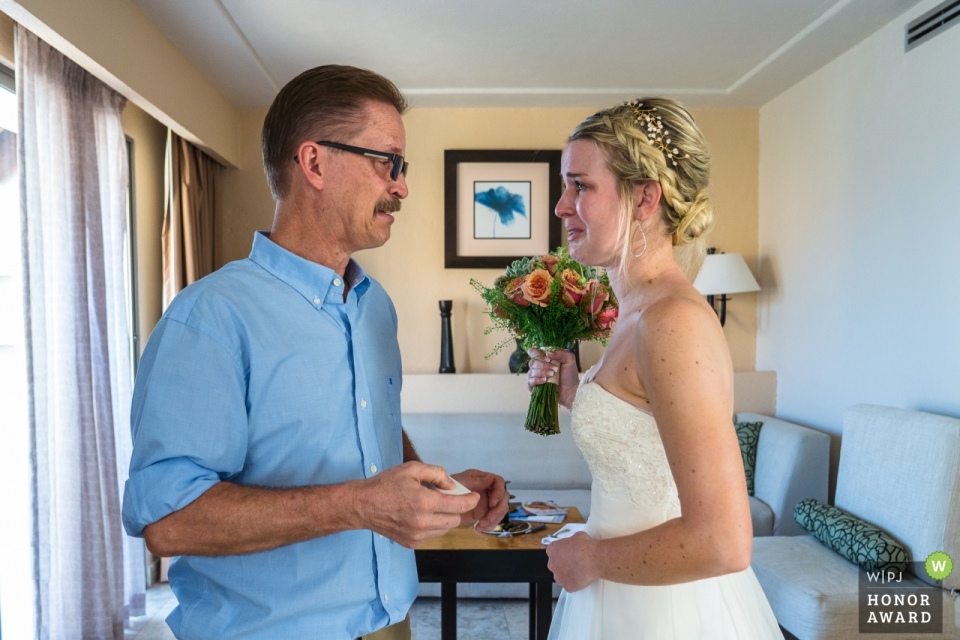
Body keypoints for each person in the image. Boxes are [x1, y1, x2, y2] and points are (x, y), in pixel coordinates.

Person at [121, 65, 509, 640]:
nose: (402, 186)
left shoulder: (376, 308)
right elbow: (169, 520)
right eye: (388, 162)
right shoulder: (209, 319)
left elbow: (369, 441)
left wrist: (438, 493)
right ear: (315, 163)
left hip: (391, 624)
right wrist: (359, 505)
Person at [527, 97, 783, 639]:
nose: (560, 206)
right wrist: (578, 392)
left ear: (644, 197)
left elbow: (723, 540)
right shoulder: (634, 313)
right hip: (621, 600)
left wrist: (591, 559)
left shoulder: (672, 322)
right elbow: (646, 430)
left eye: (580, 186)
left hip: (667, 613)